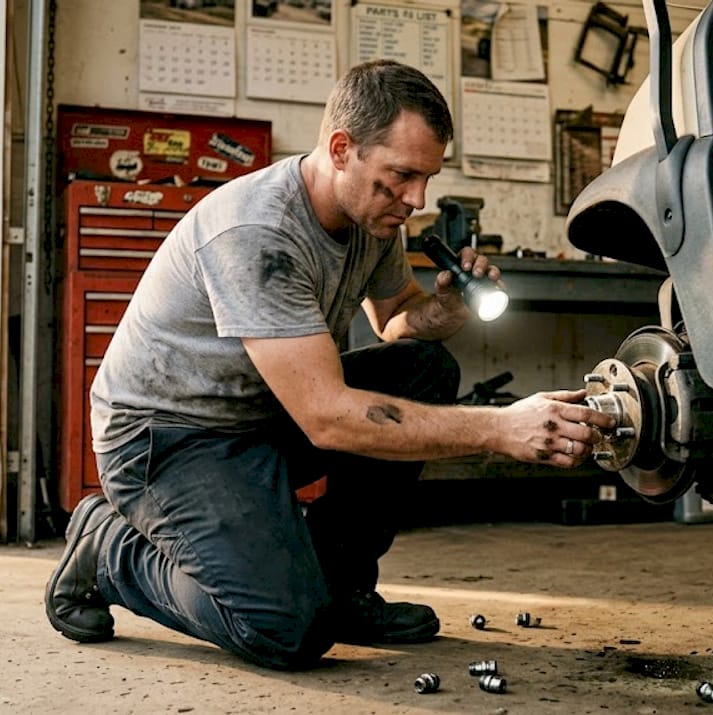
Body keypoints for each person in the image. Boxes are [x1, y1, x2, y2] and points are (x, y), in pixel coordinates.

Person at [45, 59, 614, 670]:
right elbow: (328, 419)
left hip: (260, 413)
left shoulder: (372, 218)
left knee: (425, 368)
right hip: (168, 437)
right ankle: (109, 549)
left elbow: (396, 322)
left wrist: (446, 306)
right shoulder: (259, 232)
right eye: (401, 176)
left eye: (426, 178)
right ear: (342, 149)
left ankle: (343, 587)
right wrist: (501, 428)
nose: (416, 199)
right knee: (285, 628)